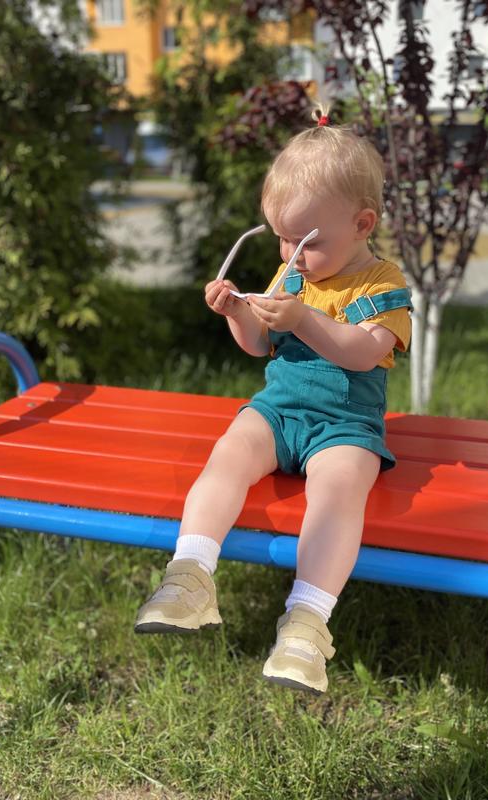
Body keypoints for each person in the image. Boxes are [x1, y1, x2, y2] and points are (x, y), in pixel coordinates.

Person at [134, 106, 413, 695]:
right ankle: (191, 575)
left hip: (344, 424)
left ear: (362, 223)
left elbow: (364, 353)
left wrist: (305, 318)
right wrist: (238, 312)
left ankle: (307, 624)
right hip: (279, 411)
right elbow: (261, 346)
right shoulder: (294, 274)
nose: (290, 252)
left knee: (338, 492)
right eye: (282, 237)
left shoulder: (381, 284)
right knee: (228, 454)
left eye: (306, 241)